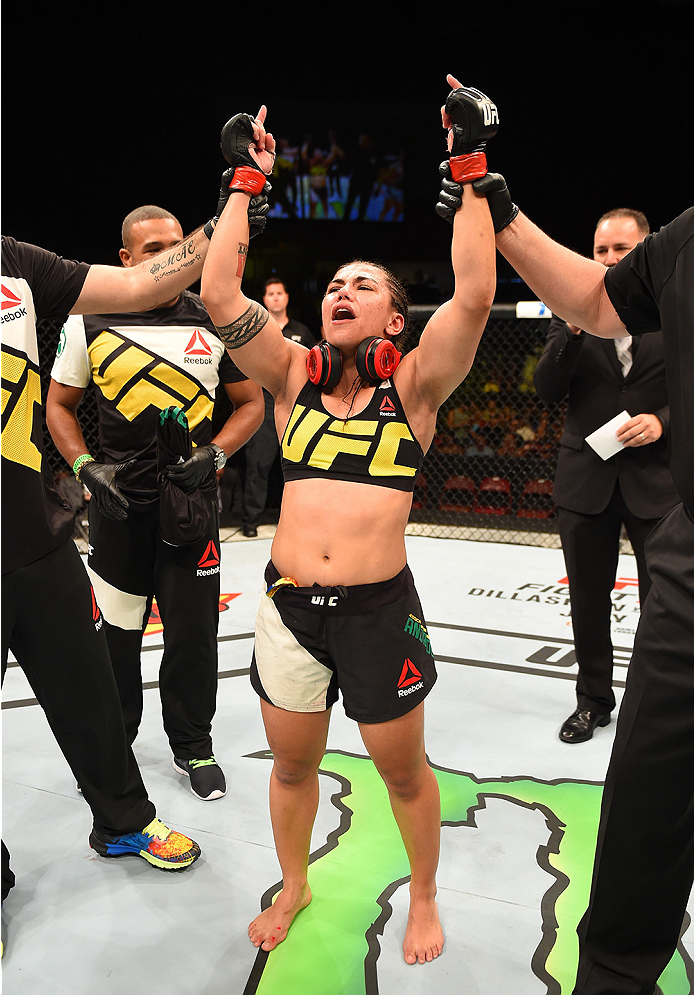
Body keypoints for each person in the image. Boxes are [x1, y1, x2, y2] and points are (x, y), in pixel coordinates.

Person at [198, 86, 497, 966]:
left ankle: (428, 893)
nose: (340, 290)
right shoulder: (290, 375)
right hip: (291, 609)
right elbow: (220, 292)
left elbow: (475, 295)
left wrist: (471, 173)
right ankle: (295, 882)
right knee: (290, 767)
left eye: (361, 285)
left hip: (375, 613)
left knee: (404, 771)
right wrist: (246, 183)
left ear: (394, 321)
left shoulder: (415, 390)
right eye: (334, 283)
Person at [438, 71, 691, 994]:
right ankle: (617, 975)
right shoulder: (685, 243)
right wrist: (488, 191)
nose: (616, 249)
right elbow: (588, 300)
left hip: (663, 487)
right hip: (670, 533)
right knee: (646, 792)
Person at [1, 220, 220, 896]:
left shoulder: (13, 258)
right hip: (73, 516)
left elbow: (137, 283)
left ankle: (124, 818)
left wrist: (231, 200)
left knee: (88, 682)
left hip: (34, 531)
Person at [46, 205, 264, 801]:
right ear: (125, 260)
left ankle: (193, 746)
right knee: (116, 636)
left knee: (194, 635)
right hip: (119, 513)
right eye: (153, 249)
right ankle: (118, 747)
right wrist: (87, 467)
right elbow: (58, 406)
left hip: (192, 509)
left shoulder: (216, 318)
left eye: (177, 244)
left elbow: (251, 406)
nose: (170, 256)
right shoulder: (87, 318)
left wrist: (214, 456)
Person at [533, 208, 679, 744]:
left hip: (657, 481)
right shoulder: (569, 309)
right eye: (601, 251)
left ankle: (654, 706)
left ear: (646, 251)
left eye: (622, 250)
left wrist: (662, 421)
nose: (610, 260)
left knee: (662, 604)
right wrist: (572, 328)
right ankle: (593, 701)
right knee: (588, 600)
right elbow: (547, 389)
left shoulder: (675, 307)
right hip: (586, 479)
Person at [241, 278, 314, 537]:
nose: (274, 297)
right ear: (264, 299)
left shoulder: (302, 331)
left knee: (297, 467)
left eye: (279, 293)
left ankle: (296, 521)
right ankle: (251, 521)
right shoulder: (254, 331)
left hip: (295, 406)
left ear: (286, 297)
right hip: (264, 402)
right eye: (269, 293)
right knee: (257, 465)